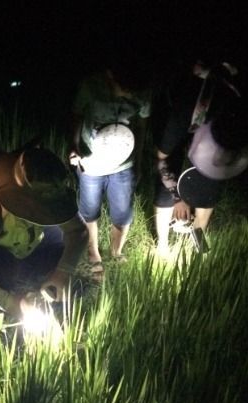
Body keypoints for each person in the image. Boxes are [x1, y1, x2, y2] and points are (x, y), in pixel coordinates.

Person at [0, 147, 88, 318]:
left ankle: (42, 278)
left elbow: (78, 230)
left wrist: (64, 271)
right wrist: (13, 304)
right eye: (36, 209)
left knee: (59, 246)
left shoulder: (51, 188)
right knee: (6, 269)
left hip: (29, 243)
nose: (41, 213)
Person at [153, 58, 248, 256]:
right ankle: (162, 246)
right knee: (166, 190)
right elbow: (161, 159)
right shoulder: (183, 114)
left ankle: (196, 243)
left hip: (214, 124)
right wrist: (178, 197)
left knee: (209, 187)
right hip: (184, 126)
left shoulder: (237, 116)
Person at [69, 55, 152, 273]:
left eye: (132, 90)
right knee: (89, 210)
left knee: (123, 212)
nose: (129, 94)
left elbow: (142, 126)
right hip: (91, 160)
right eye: (125, 88)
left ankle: (116, 251)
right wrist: (73, 146)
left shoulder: (142, 89)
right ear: (111, 75)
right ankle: (93, 252)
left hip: (124, 164)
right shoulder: (90, 86)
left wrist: (138, 162)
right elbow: (76, 115)